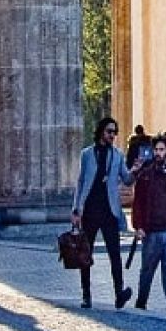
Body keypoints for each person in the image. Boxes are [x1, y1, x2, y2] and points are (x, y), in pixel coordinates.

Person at [71, 116, 134, 311]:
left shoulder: (117, 155)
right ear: (101, 132)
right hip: (89, 210)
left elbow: (127, 179)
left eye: (115, 132)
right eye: (109, 132)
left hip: (110, 211)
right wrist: (76, 209)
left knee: (115, 255)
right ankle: (86, 295)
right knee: (85, 255)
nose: (113, 135)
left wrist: (136, 171)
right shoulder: (87, 154)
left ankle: (119, 294)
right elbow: (81, 183)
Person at [131, 133, 166, 314]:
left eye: (161, 149)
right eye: (156, 149)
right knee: (147, 270)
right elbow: (137, 203)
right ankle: (141, 301)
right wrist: (138, 226)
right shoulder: (145, 176)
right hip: (151, 231)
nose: (158, 153)